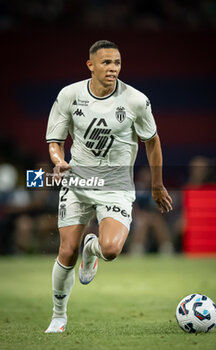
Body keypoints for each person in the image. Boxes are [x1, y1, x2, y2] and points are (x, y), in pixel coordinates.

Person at [45, 40, 173, 333]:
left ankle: (92, 249)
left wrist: (157, 185)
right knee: (66, 252)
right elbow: (55, 140)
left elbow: (152, 141)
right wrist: (58, 160)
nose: (113, 68)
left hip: (116, 183)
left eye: (116, 63)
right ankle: (58, 316)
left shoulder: (136, 100)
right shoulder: (69, 95)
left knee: (112, 249)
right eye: (106, 63)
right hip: (77, 179)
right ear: (90, 65)